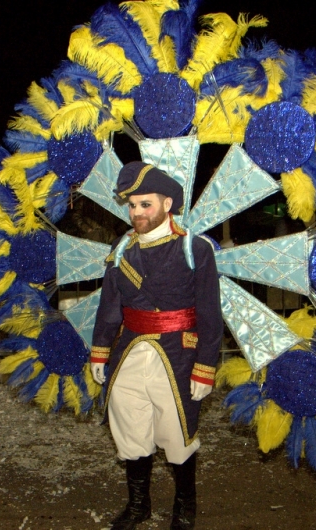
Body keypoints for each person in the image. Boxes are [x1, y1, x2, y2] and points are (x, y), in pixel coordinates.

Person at [89, 162, 222, 530]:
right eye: (132, 206)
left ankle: (184, 506)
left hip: (179, 354)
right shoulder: (120, 248)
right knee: (130, 431)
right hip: (129, 352)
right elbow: (110, 305)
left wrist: (205, 366)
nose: (136, 213)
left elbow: (210, 314)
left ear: (167, 203)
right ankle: (138, 506)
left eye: (145, 204)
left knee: (178, 433)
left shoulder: (195, 248)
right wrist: (100, 350)